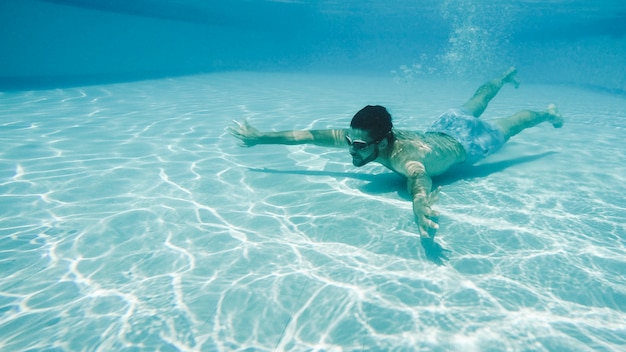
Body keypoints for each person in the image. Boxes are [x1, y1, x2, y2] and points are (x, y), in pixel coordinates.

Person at [229, 67, 563, 238]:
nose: (351, 151)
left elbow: (419, 182)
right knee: (477, 99)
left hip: (468, 145)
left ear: (382, 141)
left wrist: (421, 209)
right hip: (443, 126)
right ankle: (504, 78)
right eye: (350, 142)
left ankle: (548, 113)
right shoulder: (365, 138)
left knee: (513, 122)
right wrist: (260, 138)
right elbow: (307, 136)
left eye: (358, 146)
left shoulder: (405, 158)